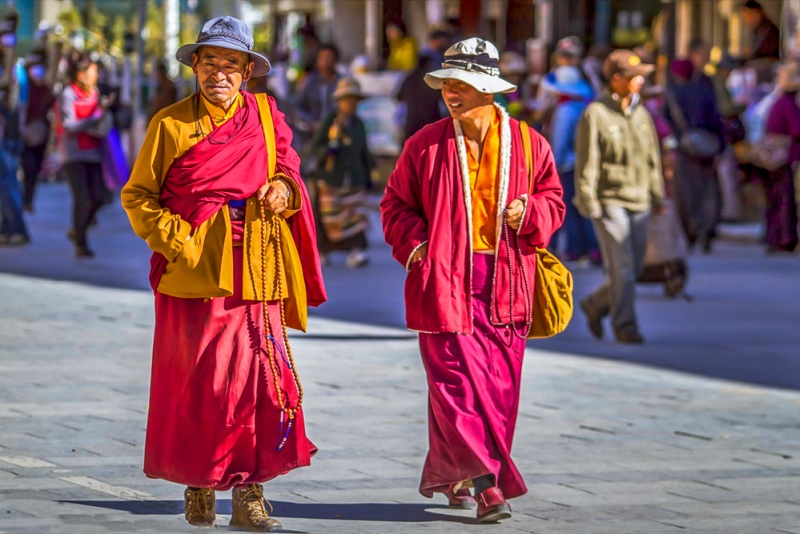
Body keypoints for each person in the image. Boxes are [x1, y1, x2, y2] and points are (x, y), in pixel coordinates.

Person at [121, 16, 327, 530]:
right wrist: (183, 243)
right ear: (195, 65)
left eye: (230, 64)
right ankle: (200, 483)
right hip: (194, 271)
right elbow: (138, 197)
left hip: (255, 263)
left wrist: (283, 188)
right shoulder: (169, 124)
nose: (220, 72)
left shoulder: (264, 114)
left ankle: (250, 491)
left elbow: (288, 168)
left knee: (258, 378)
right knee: (202, 383)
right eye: (210, 61)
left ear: (247, 72)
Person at [381, 37, 564, 523]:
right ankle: (487, 485)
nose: (452, 94)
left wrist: (531, 210)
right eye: (447, 84)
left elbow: (555, 199)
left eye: (463, 84)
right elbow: (394, 205)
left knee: (498, 392)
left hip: (506, 284)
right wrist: (417, 247)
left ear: (489, 89)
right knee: (455, 387)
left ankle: (457, 474)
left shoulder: (530, 143)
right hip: (442, 279)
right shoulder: (424, 144)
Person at [575, 49, 666, 344]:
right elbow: (587, 160)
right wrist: (588, 200)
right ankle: (625, 325)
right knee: (622, 268)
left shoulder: (641, 113)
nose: (640, 81)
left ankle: (596, 304)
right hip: (609, 201)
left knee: (633, 267)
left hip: (640, 199)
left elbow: (653, 157)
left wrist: (658, 195)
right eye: (634, 76)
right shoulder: (596, 113)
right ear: (616, 79)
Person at [311, 77, 373, 267]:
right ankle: (323, 252)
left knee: (355, 216)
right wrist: (331, 147)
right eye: (346, 100)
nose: (350, 104)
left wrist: (369, 176)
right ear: (340, 102)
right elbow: (317, 147)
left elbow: (364, 152)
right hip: (331, 179)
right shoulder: (330, 121)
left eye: (353, 100)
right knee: (328, 218)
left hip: (352, 179)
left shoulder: (359, 124)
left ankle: (355, 251)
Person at [665, 58, 724, 252]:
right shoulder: (704, 92)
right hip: (706, 147)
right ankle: (706, 229)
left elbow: (665, 125)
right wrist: (720, 145)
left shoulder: (673, 95)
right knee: (707, 190)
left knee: (685, 192)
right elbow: (716, 120)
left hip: (683, 149)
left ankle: (689, 231)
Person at [541, 65, 599, 263]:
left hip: (567, 165)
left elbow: (559, 140)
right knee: (582, 208)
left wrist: (551, 166)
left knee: (571, 210)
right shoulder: (583, 106)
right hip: (582, 162)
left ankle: (577, 249)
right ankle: (590, 249)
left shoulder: (565, 110)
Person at [58, 51, 113, 257]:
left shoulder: (94, 93)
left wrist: (103, 114)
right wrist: (94, 117)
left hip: (94, 152)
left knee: (98, 197)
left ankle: (78, 229)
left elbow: (100, 119)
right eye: (93, 72)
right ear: (81, 75)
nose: (96, 75)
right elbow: (69, 124)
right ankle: (81, 241)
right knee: (82, 198)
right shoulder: (68, 94)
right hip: (73, 154)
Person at [761, 62, 800, 253]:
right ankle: (784, 237)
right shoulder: (788, 104)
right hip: (782, 157)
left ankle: (774, 236)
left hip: (774, 157)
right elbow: (796, 129)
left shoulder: (778, 102)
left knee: (775, 198)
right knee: (784, 198)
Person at [396, 31, 451, 141]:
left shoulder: (409, 78)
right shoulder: (433, 80)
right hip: (431, 128)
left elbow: (398, 97)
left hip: (411, 128)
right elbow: (443, 102)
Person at [20, 51, 54, 213]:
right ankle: (25, 198)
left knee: (35, 169)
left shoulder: (46, 89)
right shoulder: (24, 88)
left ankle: (29, 199)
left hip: (42, 135)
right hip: (24, 134)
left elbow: (52, 108)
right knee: (28, 166)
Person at [293, 43, 340, 153]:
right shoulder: (309, 82)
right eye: (322, 57)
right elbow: (297, 107)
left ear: (336, 60)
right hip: (312, 133)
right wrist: (311, 123)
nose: (325, 61)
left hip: (336, 133)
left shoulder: (340, 82)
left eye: (329, 57)